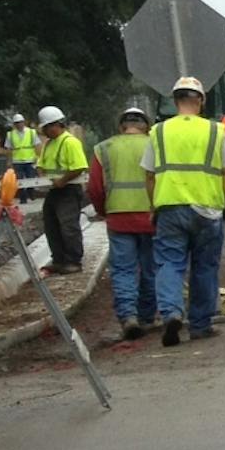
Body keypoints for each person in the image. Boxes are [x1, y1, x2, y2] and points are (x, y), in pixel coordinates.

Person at [144, 75, 225, 347]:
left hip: (170, 206)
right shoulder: (214, 131)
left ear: (175, 102)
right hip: (207, 209)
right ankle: (200, 325)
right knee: (205, 266)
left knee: (169, 263)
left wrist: (153, 206)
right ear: (201, 101)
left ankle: (172, 312)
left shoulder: (158, 131)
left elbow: (148, 174)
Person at [88, 104, 158, 338]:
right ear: (146, 126)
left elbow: (95, 187)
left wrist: (102, 210)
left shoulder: (103, 148)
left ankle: (128, 316)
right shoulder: (156, 144)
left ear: (121, 126)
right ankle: (147, 316)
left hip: (118, 217)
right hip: (152, 216)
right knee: (152, 268)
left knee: (123, 269)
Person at [33, 106, 88, 274]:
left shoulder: (70, 142)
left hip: (68, 190)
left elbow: (79, 167)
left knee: (68, 226)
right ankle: (59, 259)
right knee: (51, 224)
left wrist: (62, 181)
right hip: (54, 190)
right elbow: (41, 164)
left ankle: (73, 261)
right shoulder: (49, 144)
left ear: (55, 125)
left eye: (46, 128)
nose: (45, 132)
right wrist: (43, 177)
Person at [5, 113, 39, 181]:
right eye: (16, 123)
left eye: (20, 122)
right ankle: (21, 192)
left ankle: (30, 192)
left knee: (31, 180)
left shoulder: (32, 132)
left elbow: (37, 146)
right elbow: (8, 149)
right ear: (14, 124)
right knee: (18, 182)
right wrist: (9, 161)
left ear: (23, 122)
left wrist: (37, 158)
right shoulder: (10, 134)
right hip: (17, 162)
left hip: (30, 161)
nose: (19, 124)